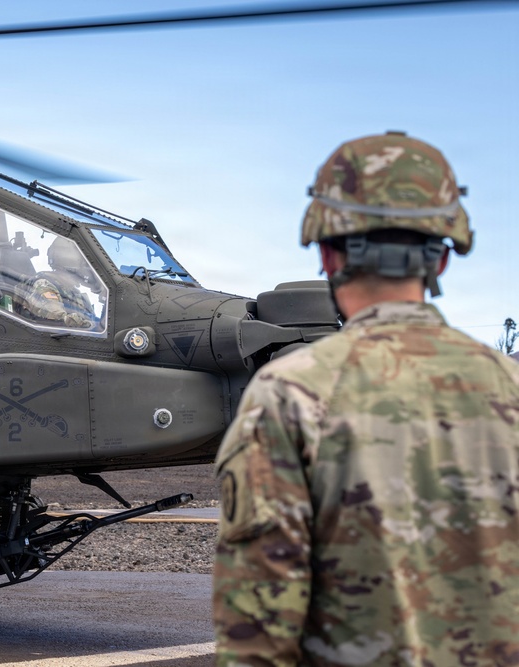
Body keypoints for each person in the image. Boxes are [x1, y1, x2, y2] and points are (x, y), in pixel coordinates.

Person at [213, 131, 519, 665]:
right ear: (441, 259)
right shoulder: (510, 387)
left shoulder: (289, 394)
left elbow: (257, 629)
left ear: (327, 254)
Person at [19, 237, 99, 329]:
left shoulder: (75, 293)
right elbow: (58, 319)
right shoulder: (44, 285)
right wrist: (92, 326)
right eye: (85, 264)